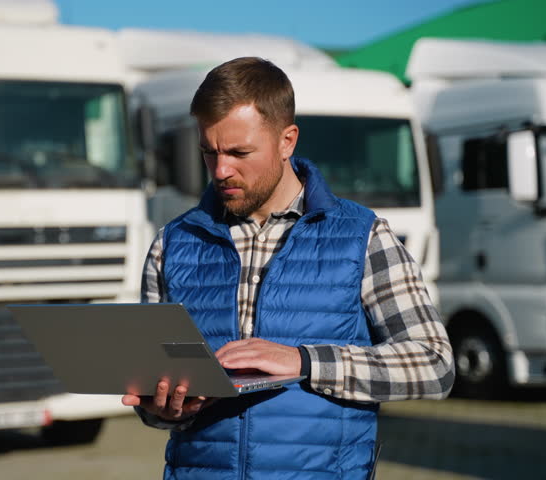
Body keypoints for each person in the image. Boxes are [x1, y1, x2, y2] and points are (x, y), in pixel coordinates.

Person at [122, 57, 455, 480]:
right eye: (209, 152)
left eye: (239, 152)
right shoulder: (171, 244)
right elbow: (155, 391)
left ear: (287, 141)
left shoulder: (363, 237)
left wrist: (306, 361)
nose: (221, 170)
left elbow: (434, 364)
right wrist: (163, 408)